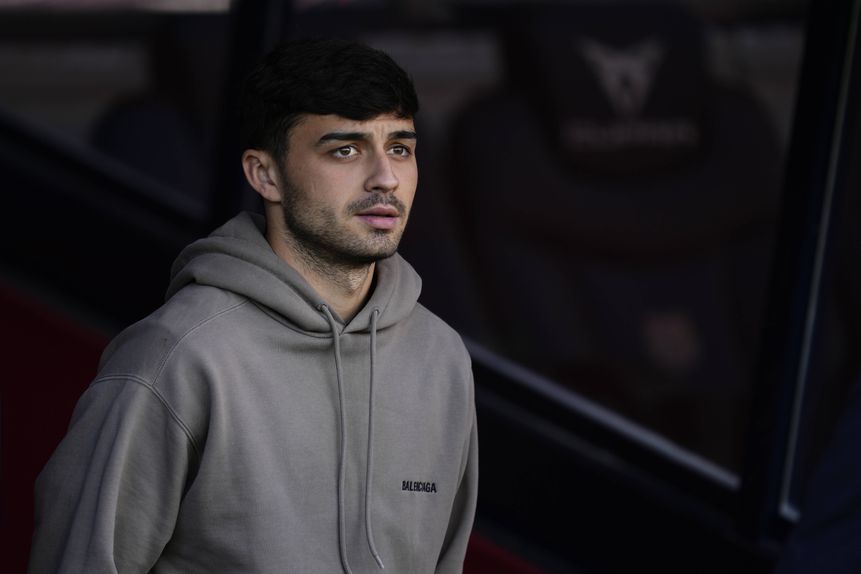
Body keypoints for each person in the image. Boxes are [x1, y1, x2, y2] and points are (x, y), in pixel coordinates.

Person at [28, 38, 478, 573]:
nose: (386, 177)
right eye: (346, 150)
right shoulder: (179, 355)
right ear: (265, 174)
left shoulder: (440, 357)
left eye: (400, 148)